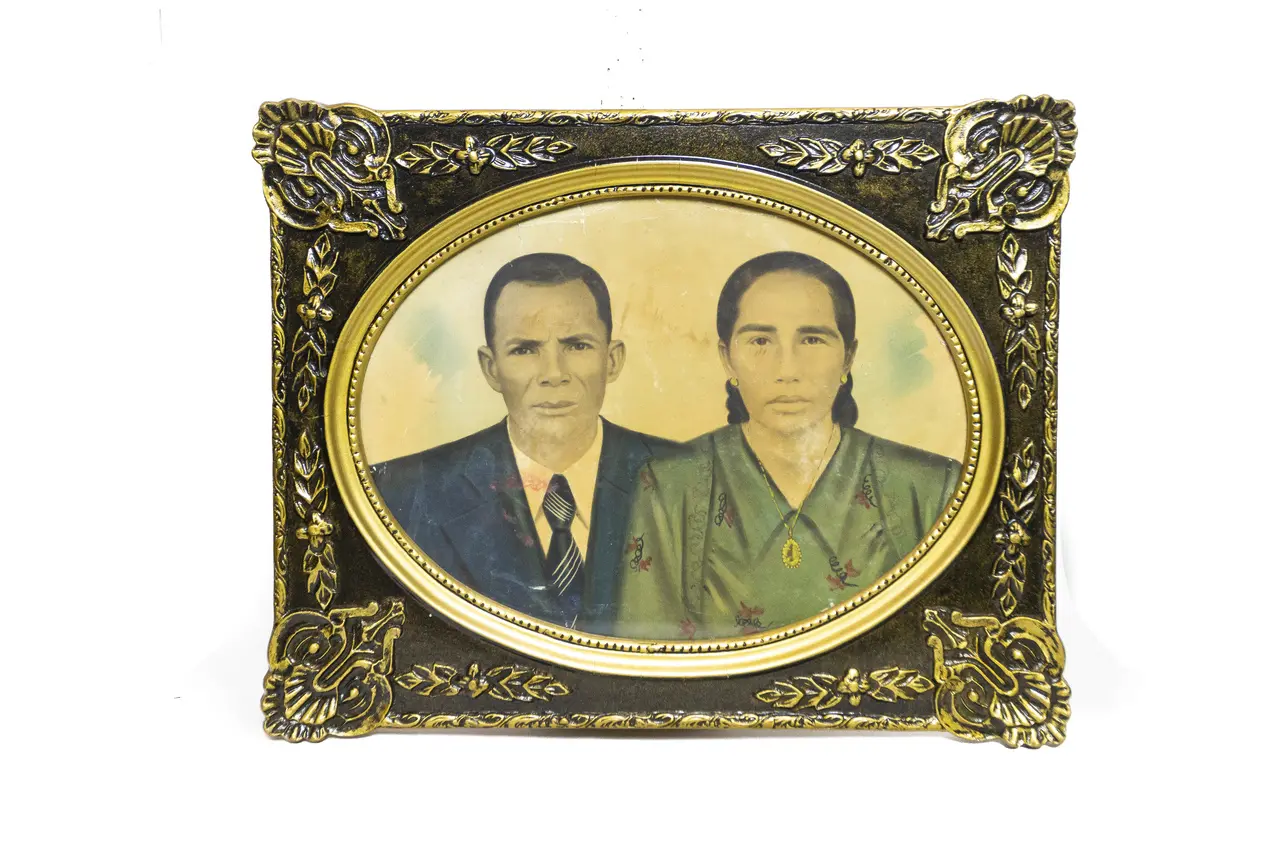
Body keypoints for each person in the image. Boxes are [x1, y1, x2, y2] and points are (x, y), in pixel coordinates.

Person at [614, 251, 960, 641]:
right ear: (727, 359)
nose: (787, 370)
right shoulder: (669, 486)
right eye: (760, 340)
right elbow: (651, 655)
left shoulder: (931, 488)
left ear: (848, 358)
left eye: (812, 339)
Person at [372, 253, 679, 633]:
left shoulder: (693, 479)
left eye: (577, 345)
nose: (554, 373)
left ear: (612, 359)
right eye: (524, 349)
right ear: (491, 368)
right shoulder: (398, 492)